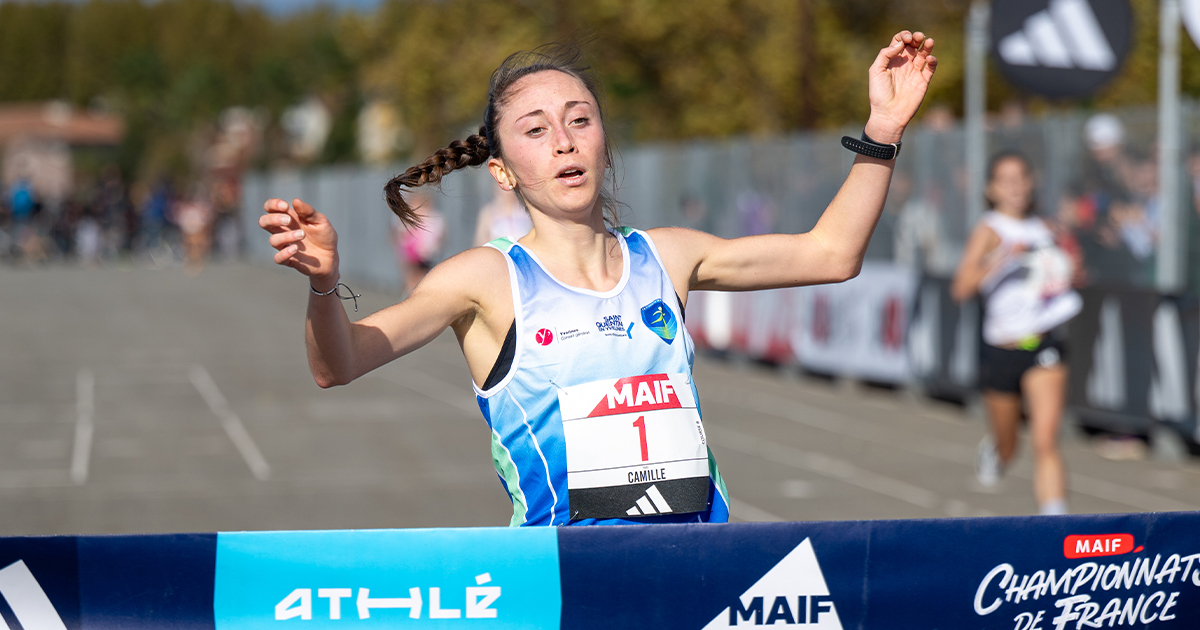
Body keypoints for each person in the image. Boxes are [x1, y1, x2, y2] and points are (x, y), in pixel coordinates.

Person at [260, 33, 937, 526]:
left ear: (603, 142)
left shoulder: (668, 258)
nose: (564, 140)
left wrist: (883, 127)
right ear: (502, 171)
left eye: (580, 120)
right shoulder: (485, 279)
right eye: (535, 129)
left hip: (698, 573)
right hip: (570, 588)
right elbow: (340, 363)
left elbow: (830, 254)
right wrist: (324, 286)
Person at [951, 151, 1082, 516]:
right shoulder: (989, 230)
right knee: (1010, 444)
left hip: (1044, 342)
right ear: (991, 189)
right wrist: (1003, 256)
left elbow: (1062, 277)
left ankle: (1055, 523)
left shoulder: (1047, 228)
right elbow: (961, 288)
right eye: (1006, 180)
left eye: (1022, 177)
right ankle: (997, 449)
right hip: (1001, 347)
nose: (1016, 186)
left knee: (1046, 439)